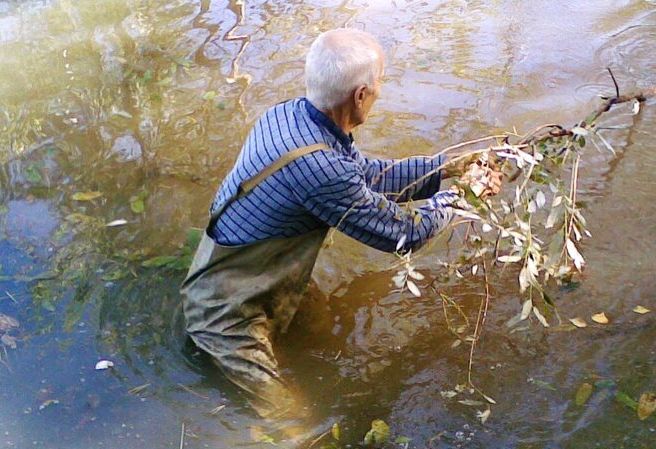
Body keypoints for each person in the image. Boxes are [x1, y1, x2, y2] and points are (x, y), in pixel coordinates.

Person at [181, 28, 499, 393]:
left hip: (249, 279)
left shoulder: (288, 117)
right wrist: (463, 196)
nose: (380, 91)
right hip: (225, 318)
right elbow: (406, 234)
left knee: (324, 334)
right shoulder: (319, 168)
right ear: (360, 95)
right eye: (379, 84)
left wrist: (446, 167)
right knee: (286, 429)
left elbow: (365, 176)